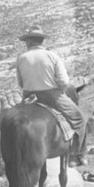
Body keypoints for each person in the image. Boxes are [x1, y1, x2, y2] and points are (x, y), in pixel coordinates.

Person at [14, 25, 86, 166]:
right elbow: (64, 81)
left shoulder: (21, 58)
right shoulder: (52, 56)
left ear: (28, 41)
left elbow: (21, 83)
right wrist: (60, 91)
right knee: (79, 119)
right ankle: (76, 155)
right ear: (41, 41)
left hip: (28, 96)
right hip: (51, 95)